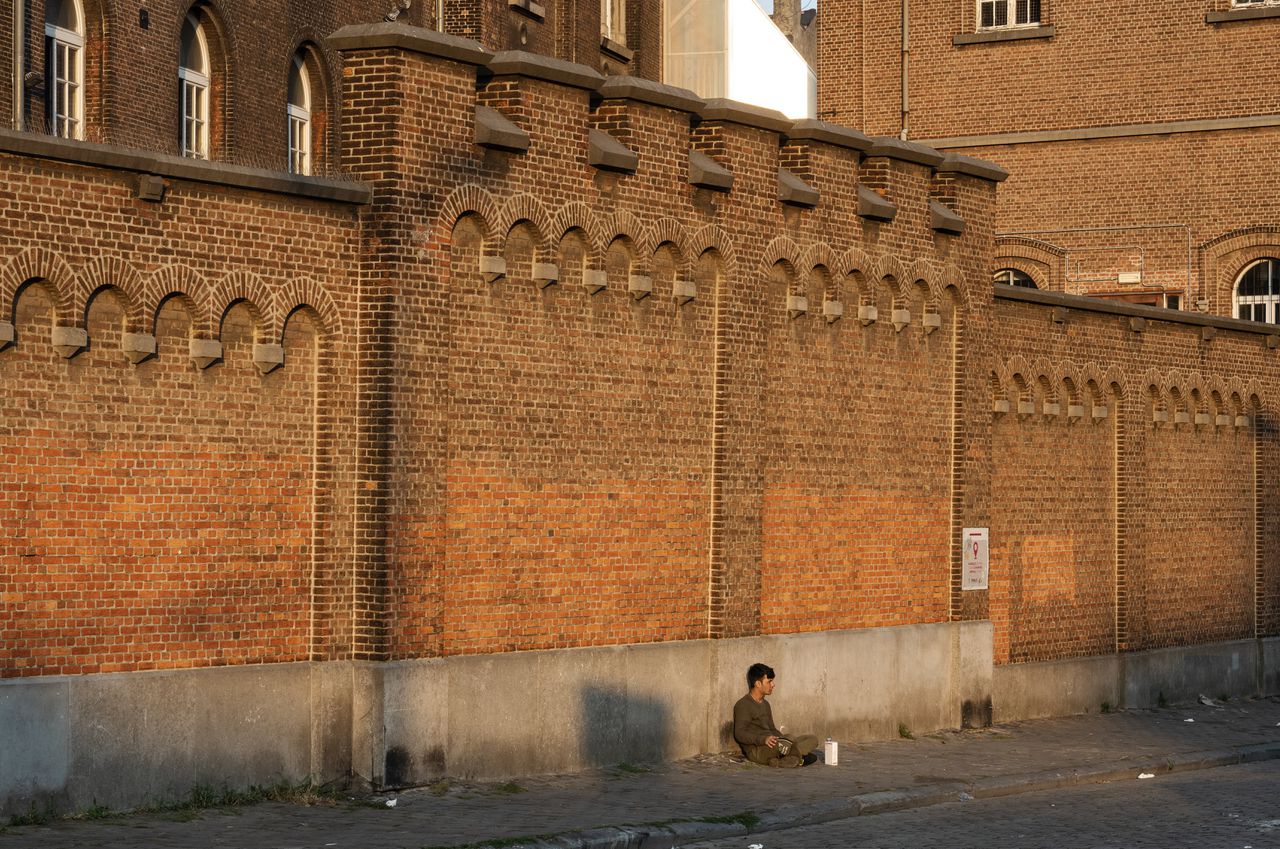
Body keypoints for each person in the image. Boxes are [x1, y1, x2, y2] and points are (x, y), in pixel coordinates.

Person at [732, 662, 819, 768]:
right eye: (769, 681)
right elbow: (739, 733)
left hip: (774, 745)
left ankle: (784, 758)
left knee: (812, 739)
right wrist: (763, 739)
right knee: (791, 740)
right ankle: (796, 758)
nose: (773, 685)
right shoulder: (743, 704)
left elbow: (772, 729)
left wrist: (783, 740)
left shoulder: (765, 704)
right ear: (758, 684)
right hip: (757, 751)